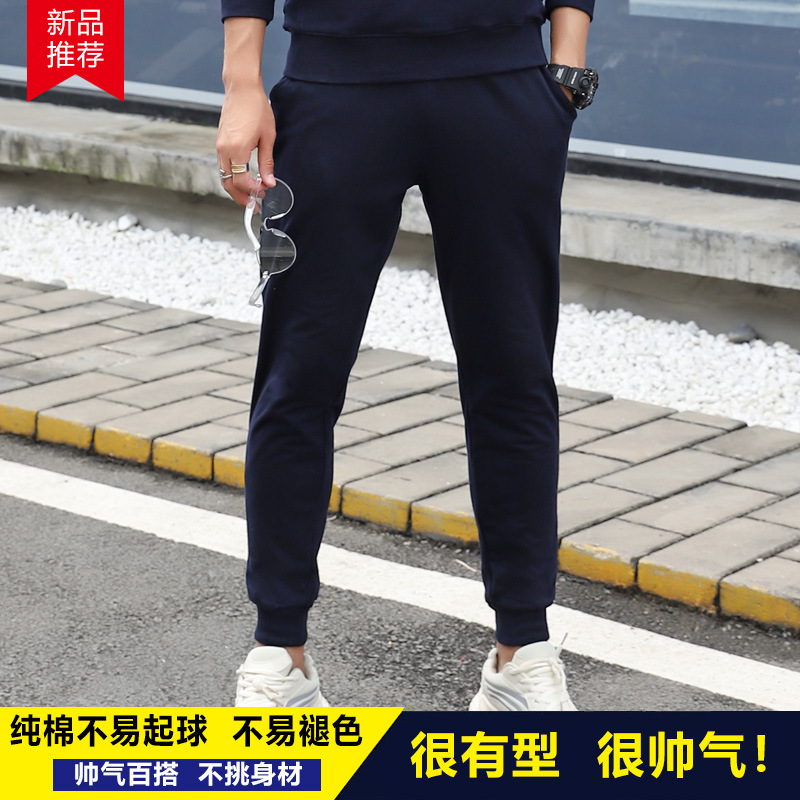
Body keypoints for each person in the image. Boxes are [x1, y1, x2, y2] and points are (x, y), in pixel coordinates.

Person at [217, 0, 597, 711]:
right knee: (300, 377)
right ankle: (280, 653)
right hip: (336, 83)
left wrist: (565, 70)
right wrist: (243, 84)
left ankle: (522, 654)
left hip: (501, 81)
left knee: (513, 373)